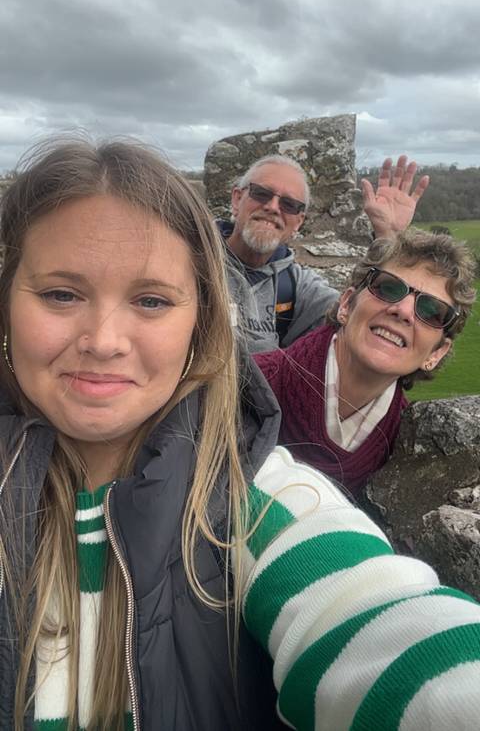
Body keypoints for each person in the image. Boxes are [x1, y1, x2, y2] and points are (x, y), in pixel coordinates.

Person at [1, 138, 480, 731]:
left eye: (150, 301)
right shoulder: (261, 389)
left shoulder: (274, 483)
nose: (103, 340)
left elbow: (380, 619)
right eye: (60, 294)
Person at [255, 228, 476, 493]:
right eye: (388, 288)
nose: (404, 311)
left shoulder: (410, 449)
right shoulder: (245, 384)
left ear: (436, 353)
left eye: (431, 311)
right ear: (347, 304)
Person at [218, 152, 430, 352]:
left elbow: (354, 316)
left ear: (298, 222)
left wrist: (387, 236)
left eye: (289, 204)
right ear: (237, 199)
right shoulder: (199, 260)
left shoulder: (296, 286)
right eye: (261, 193)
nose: (273, 207)